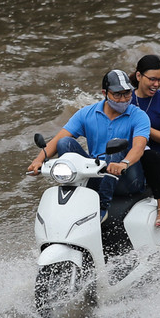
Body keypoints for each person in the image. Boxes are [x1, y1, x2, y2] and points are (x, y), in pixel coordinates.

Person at [27, 70, 151, 223]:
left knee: (116, 145)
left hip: (127, 177)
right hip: (97, 174)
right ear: (105, 93)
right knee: (64, 143)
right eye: (117, 94)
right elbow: (58, 139)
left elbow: (138, 148)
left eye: (127, 94)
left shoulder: (139, 116)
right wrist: (39, 160)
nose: (123, 99)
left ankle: (102, 207)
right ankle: (71, 201)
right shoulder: (86, 113)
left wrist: (123, 164)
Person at [129, 54, 160, 227]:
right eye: (152, 79)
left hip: (158, 159)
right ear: (138, 76)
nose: (156, 84)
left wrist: (142, 127)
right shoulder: (124, 99)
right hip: (128, 155)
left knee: (148, 155)